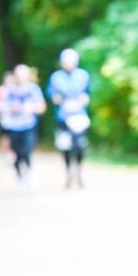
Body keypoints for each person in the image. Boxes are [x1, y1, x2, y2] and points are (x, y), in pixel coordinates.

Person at [47, 48, 91, 189]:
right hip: (62, 117)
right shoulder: (56, 77)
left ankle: (78, 171)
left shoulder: (83, 75)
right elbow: (51, 93)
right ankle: (68, 173)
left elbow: (87, 92)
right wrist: (56, 98)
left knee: (79, 145)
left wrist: (85, 99)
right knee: (64, 145)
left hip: (79, 116)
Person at [0, 64, 46, 188]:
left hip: (29, 125)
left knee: (27, 151)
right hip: (13, 126)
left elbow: (41, 107)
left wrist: (30, 108)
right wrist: (10, 108)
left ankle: (29, 173)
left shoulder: (33, 89)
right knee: (16, 153)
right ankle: (19, 177)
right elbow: (0, 106)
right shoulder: (9, 90)